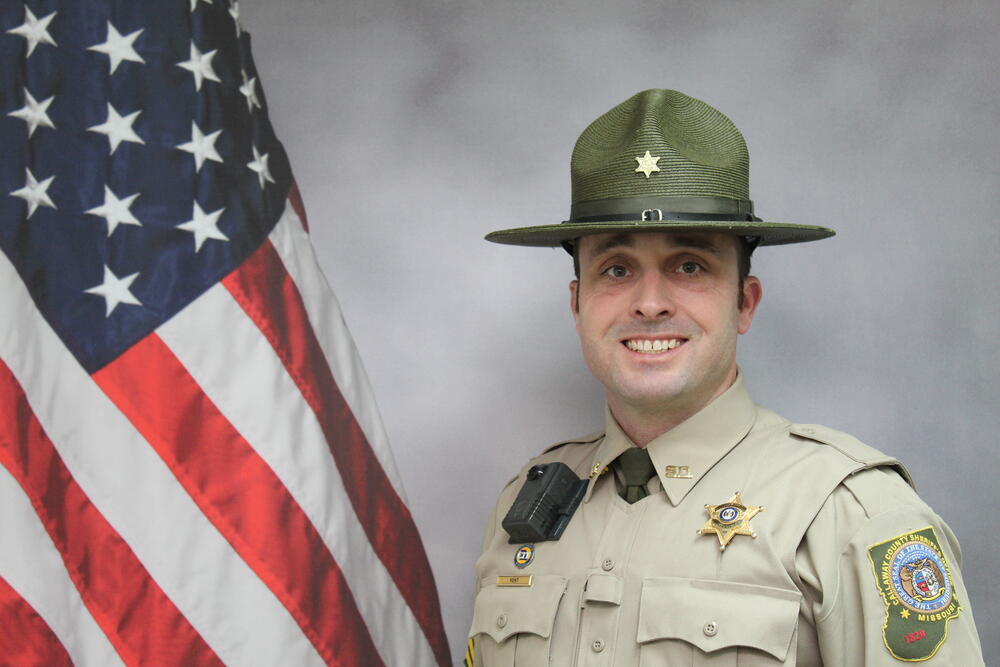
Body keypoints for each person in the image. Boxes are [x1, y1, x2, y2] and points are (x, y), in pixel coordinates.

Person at [465, 89, 984, 666]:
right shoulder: (524, 506)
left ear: (744, 302)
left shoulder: (849, 512)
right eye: (616, 269)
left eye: (690, 266)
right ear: (578, 303)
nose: (651, 303)